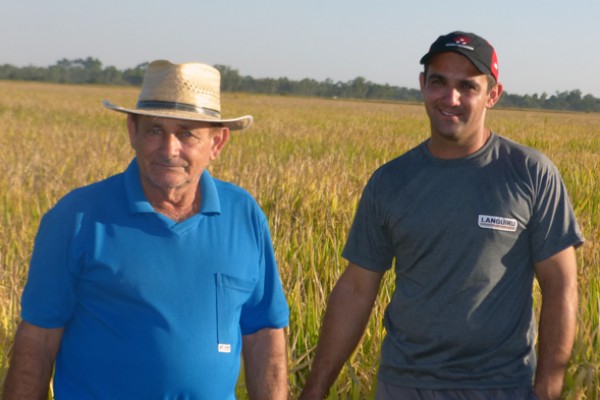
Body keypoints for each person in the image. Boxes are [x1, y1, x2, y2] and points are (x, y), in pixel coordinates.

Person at [300, 31, 583, 400]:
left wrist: (547, 389)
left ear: (492, 95)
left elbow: (561, 286)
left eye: (468, 86)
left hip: (501, 386)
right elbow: (356, 289)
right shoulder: (391, 181)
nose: (451, 99)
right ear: (423, 86)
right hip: (403, 385)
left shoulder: (531, 174)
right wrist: (315, 389)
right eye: (439, 82)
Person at [4, 60, 289, 399]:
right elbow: (37, 341)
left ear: (217, 144)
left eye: (186, 133)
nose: (169, 149)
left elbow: (264, 332)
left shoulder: (244, 215)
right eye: (155, 130)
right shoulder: (77, 217)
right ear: (132, 132)